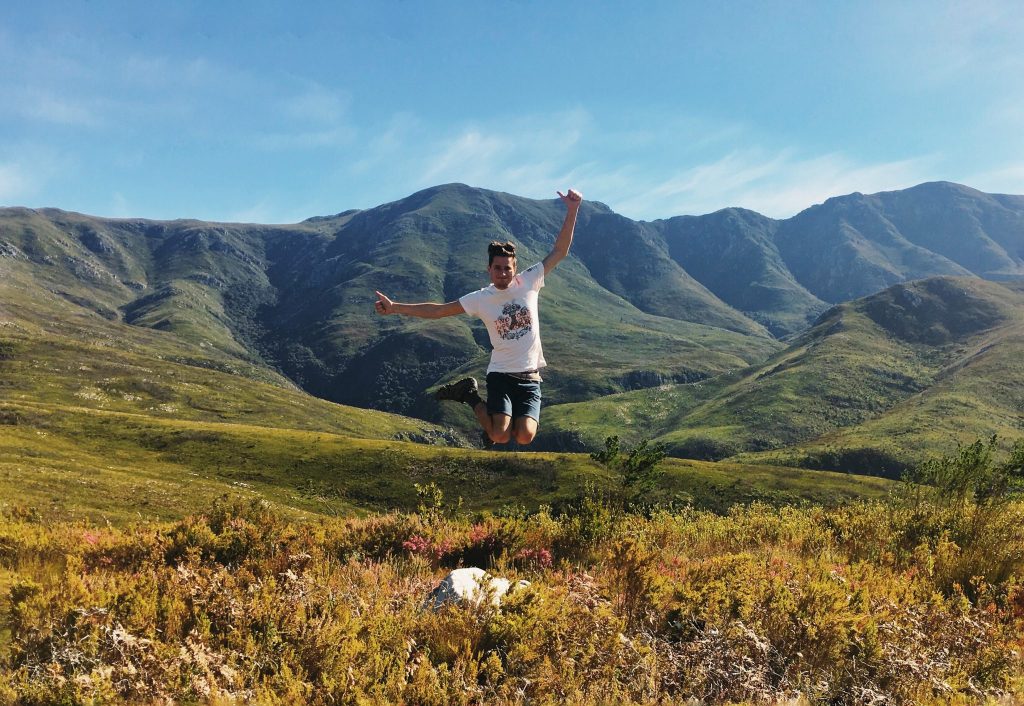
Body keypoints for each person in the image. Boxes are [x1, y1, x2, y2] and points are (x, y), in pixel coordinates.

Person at [374, 188, 583, 448]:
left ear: (515, 269)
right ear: (489, 270)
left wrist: (572, 210)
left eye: (507, 268)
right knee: (499, 436)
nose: (503, 273)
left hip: (530, 377)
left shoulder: (529, 281)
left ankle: (480, 403)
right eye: (497, 268)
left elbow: (560, 251)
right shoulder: (481, 298)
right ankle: (470, 395)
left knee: (525, 436)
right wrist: (395, 307)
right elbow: (439, 310)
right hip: (501, 375)